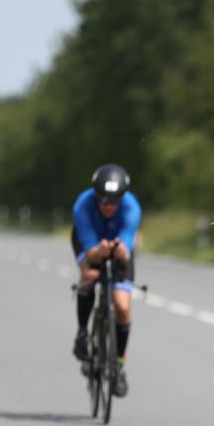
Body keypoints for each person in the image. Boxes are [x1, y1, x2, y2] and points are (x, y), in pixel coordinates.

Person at [70, 164, 141, 398]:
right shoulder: (83, 204)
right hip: (90, 244)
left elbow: (126, 250)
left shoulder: (132, 206)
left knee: (122, 305)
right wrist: (97, 253)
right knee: (89, 277)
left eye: (114, 202)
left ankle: (119, 364)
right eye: (103, 201)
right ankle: (82, 332)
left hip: (118, 247)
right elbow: (91, 253)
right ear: (95, 195)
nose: (108, 206)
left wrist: (120, 251)